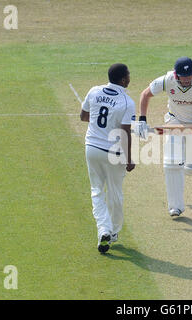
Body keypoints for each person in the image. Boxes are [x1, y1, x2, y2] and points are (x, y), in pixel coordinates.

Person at [134, 56, 192, 217]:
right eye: (183, 78)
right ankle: (175, 207)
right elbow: (145, 94)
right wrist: (142, 119)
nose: (187, 81)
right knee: (171, 163)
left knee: (190, 169)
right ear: (176, 76)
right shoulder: (167, 80)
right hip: (174, 121)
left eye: (190, 77)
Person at [80, 63, 136, 253]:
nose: (129, 78)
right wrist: (129, 159)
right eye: (128, 75)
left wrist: (99, 126)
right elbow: (126, 132)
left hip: (92, 148)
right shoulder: (127, 102)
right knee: (115, 193)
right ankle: (112, 233)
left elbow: (83, 116)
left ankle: (103, 229)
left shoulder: (94, 91)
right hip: (113, 153)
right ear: (123, 79)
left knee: (97, 191)